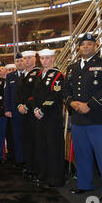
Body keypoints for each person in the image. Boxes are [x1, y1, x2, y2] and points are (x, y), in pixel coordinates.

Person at [63, 33, 102, 203]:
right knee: (82, 155)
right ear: (78, 48)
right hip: (79, 120)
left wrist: (89, 105)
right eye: (83, 44)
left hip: (100, 119)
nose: (85, 46)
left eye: (89, 44)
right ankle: (84, 184)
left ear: (96, 46)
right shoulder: (71, 68)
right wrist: (72, 103)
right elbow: (66, 91)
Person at [31, 49, 65, 187]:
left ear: (53, 59)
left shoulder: (58, 76)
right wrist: (35, 108)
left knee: (53, 146)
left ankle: (56, 177)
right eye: (42, 58)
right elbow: (33, 95)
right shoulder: (39, 75)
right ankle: (43, 173)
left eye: (47, 58)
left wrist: (42, 110)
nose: (44, 61)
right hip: (39, 115)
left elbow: (55, 96)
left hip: (51, 116)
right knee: (41, 145)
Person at [16, 50, 42, 180]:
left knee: (36, 141)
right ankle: (29, 166)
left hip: (34, 112)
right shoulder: (22, 75)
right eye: (24, 58)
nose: (26, 60)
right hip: (23, 113)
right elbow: (18, 94)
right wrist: (19, 105)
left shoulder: (38, 73)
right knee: (26, 140)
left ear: (35, 59)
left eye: (29, 58)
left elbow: (36, 93)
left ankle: (37, 169)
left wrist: (26, 105)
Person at [4, 53, 25, 167]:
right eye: (17, 61)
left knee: (27, 136)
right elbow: (7, 94)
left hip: (27, 111)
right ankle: (19, 160)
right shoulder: (10, 76)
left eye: (21, 60)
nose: (19, 63)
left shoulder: (29, 74)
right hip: (14, 111)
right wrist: (7, 109)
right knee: (16, 136)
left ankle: (28, 159)